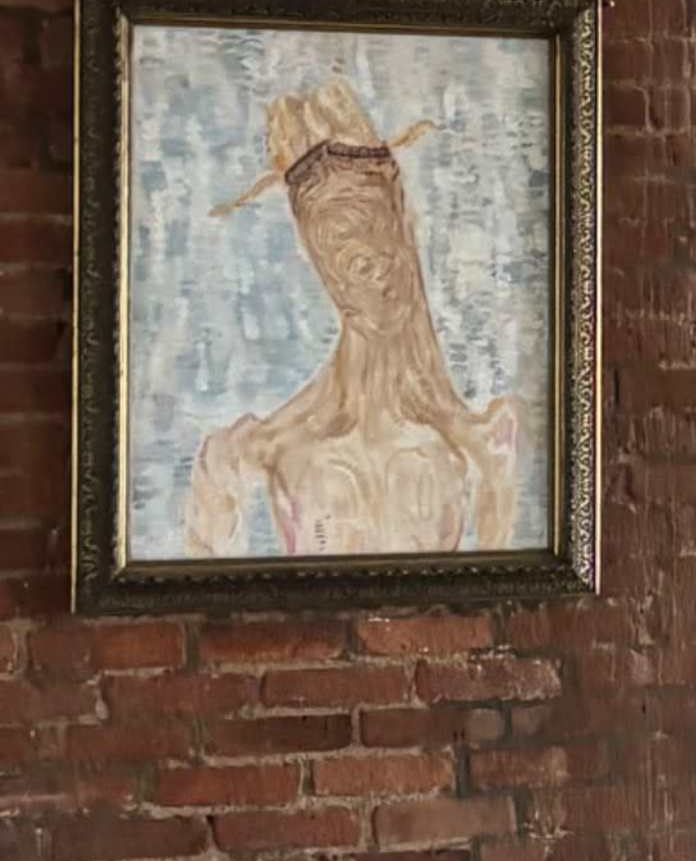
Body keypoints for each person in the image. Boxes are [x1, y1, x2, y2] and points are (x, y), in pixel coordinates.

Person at [184, 80, 521, 560]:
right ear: (319, 264)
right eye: (339, 253)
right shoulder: (253, 454)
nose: (366, 267)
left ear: (402, 227)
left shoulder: (489, 446)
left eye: (371, 230)